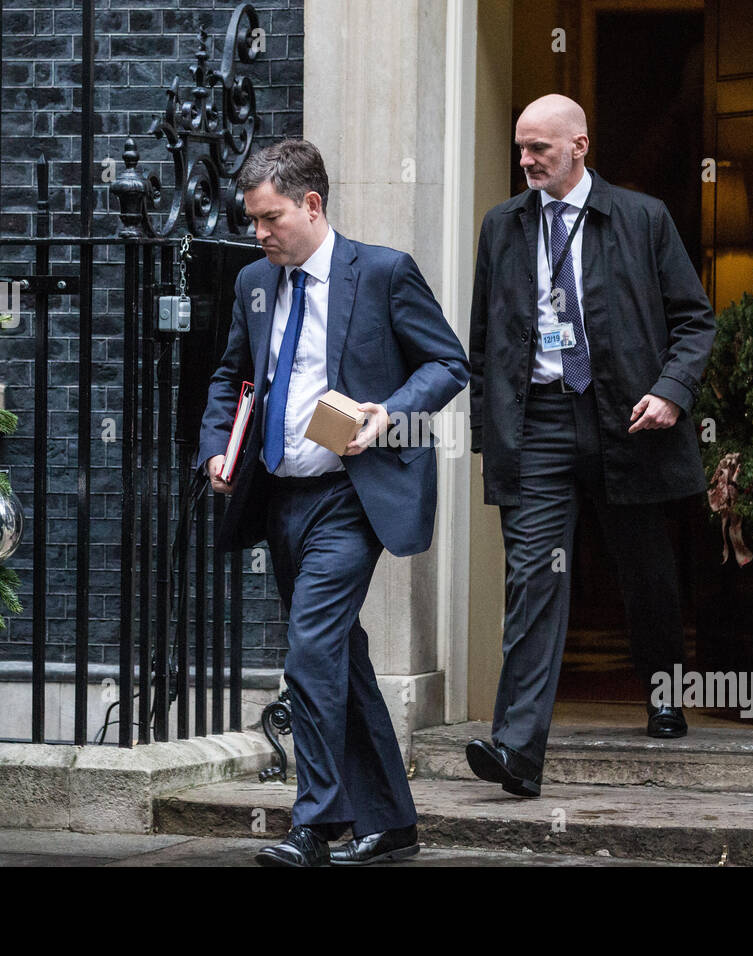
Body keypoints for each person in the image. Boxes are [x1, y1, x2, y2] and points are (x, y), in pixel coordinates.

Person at [198, 140, 469, 864]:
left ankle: (315, 823)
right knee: (338, 654)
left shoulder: (381, 272)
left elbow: (448, 361)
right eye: (253, 219)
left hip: (353, 495)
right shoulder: (256, 282)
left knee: (311, 650)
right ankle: (392, 823)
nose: (258, 232)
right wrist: (217, 451)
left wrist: (388, 411)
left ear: (312, 205)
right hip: (283, 497)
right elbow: (231, 378)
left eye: (270, 218)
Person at [467, 94, 715, 797]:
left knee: (647, 571)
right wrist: (493, 438)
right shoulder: (503, 227)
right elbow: (483, 344)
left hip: (625, 420)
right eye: (520, 148)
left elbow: (695, 322)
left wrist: (671, 390)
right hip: (539, 423)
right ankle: (517, 748)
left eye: (538, 148)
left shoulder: (642, 218)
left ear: (578, 145)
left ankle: (663, 690)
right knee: (534, 580)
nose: (525, 160)